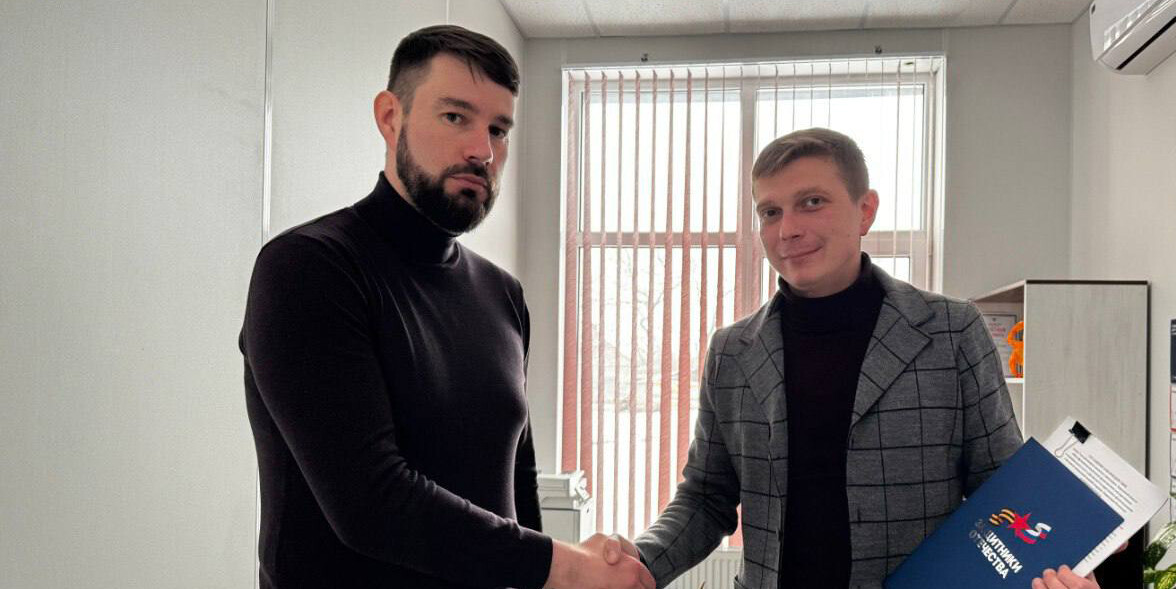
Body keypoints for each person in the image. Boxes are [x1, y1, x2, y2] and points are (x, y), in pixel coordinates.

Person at [602, 128, 1111, 589]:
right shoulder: (732, 351)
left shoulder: (951, 330)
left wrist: (1061, 560)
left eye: (812, 202)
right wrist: (641, 561)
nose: (787, 229)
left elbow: (1000, 490)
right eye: (770, 212)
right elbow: (706, 497)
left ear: (865, 210)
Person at [240, 25, 652, 589]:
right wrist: (565, 567)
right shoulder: (309, 267)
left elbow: (517, 489)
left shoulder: (503, 294)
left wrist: (562, 566)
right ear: (391, 117)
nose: (482, 151)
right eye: (456, 117)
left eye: (498, 129)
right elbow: (371, 504)